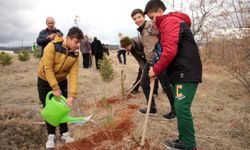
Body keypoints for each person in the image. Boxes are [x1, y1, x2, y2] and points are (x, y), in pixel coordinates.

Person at [144, 0, 202, 149]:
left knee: (181, 107)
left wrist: (156, 69)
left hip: (186, 71)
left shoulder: (170, 22)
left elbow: (169, 52)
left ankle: (189, 145)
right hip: (180, 71)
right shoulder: (165, 25)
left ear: (159, 12)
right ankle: (183, 140)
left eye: (152, 17)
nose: (152, 22)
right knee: (180, 106)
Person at [37, 27, 84, 148]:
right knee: (49, 108)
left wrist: (72, 95)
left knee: (63, 108)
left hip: (61, 81)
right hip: (44, 80)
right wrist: (54, 87)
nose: (78, 45)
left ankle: (64, 134)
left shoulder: (75, 54)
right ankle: (51, 136)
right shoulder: (52, 46)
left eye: (80, 42)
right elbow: (47, 68)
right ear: (68, 38)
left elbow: (73, 75)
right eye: (76, 41)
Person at [131, 8, 175, 119]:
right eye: (135, 19)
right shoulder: (141, 30)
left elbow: (162, 33)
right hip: (150, 61)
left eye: (139, 17)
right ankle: (152, 108)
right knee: (144, 83)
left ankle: (175, 110)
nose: (137, 20)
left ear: (144, 16)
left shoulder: (150, 25)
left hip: (159, 60)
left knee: (166, 86)